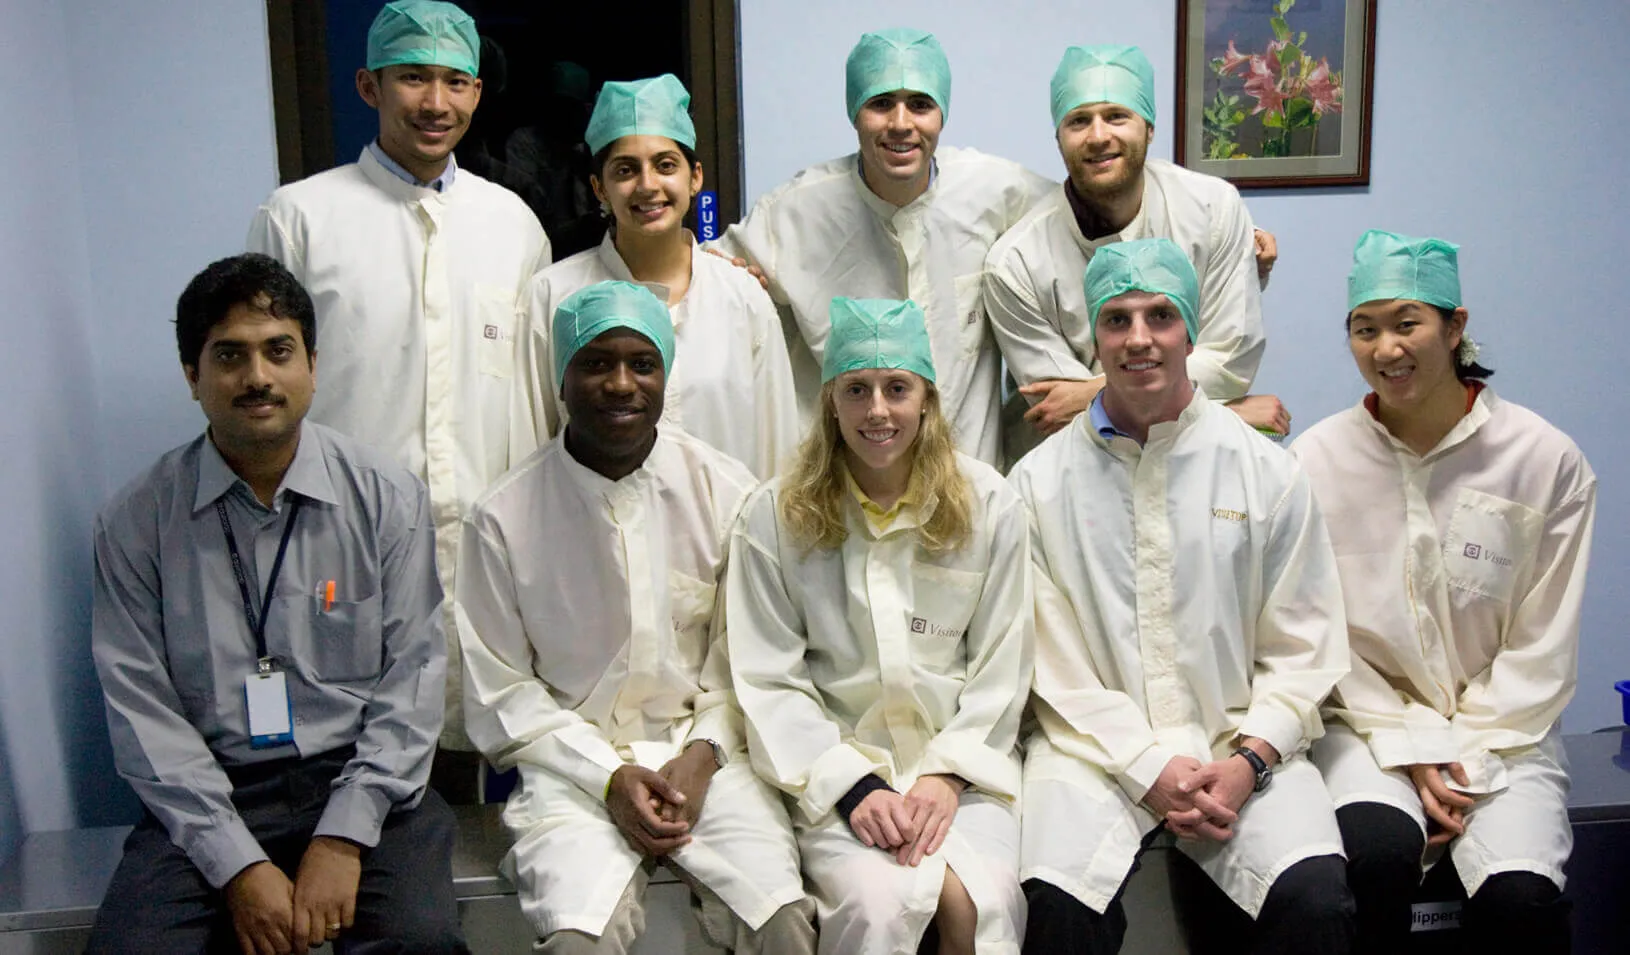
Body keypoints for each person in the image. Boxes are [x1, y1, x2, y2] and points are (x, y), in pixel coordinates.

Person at [86, 254, 464, 955]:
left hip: (364, 779)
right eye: (229, 355)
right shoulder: (137, 520)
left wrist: (344, 835)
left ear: (312, 366)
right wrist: (237, 862)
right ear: (192, 376)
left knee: (421, 940)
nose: (257, 376)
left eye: (278, 351)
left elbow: (413, 677)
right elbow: (142, 711)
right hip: (209, 793)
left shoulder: (386, 498)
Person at [1009, 238, 1354, 954]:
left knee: (1316, 902)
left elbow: (1304, 647)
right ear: (1092, 336)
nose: (1139, 338)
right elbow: (1051, 663)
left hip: (1237, 741)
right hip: (1092, 754)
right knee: (1059, 908)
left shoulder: (1266, 473)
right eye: (1117, 319)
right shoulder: (1036, 486)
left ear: (1190, 332)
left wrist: (1250, 760)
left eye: (1160, 315)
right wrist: (1145, 764)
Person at [456, 281, 814, 953]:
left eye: (641, 363)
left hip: (713, 760)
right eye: (595, 363)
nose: (621, 383)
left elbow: (753, 658)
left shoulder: (726, 490)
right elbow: (500, 690)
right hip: (573, 774)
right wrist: (607, 775)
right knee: (577, 938)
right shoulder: (502, 517)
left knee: (784, 920)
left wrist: (704, 753)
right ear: (561, 380)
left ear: (664, 374)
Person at [246, 0, 550, 764]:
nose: (436, 102)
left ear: (479, 93)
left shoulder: (513, 224)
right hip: (340, 546)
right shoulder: (299, 219)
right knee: (348, 760)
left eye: (456, 81)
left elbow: (537, 394)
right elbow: (266, 394)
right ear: (368, 85)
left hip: (485, 543)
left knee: (485, 762)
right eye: (413, 77)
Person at [1293, 231, 1594, 954]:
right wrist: (1411, 743)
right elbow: (1317, 629)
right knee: (1375, 857)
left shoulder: (1544, 459)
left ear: (1455, 327)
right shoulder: (1315, 461)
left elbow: (1543, 642)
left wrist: (1465, 754)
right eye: (1365, 329)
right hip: (1365, 727)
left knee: (1521, 899)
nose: (1386, 348)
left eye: (1407, 323)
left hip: (1508, 731)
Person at [726, 297, 1033, 953]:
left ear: (927, 398)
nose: (878, 410)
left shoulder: (990, 506)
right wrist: (855, 784)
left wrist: (946, 774)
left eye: (898, 387)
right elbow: (768, 677)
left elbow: (1002, 667)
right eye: (856, 389)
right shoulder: (773, 517)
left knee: (978, 901)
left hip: (963, 772)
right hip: (839, 774)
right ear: (830, 402)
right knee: (876, 906)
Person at [709, 28, 1054, 467]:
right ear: (854, 112)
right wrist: (740, 282)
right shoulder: (797, 211)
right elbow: (702, 279)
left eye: (921, 104)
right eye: (881, 103)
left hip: (966, 481)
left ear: (942, 115)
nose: (901, 123)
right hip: (845, 490)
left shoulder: (995, 191)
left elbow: (1080, 230)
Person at [985, 45, 1288, 464]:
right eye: (1078, 121)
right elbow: (1058, 411)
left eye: (1116, 116)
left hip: (1194, 462)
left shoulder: (1211, 209)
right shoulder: (1015, 263)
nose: (1097, 136)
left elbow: (1231, 360)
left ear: (1149, 128)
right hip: (1070, 476)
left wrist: (1091, 391)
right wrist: (1231, 409)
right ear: (1058, 138)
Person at [521, 74, 800, 478]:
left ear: (695, 177)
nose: (648, 185)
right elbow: (531, 454)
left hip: (726, 538)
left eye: (665, 165)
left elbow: (779, 454)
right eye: (625, 170)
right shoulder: (552, 296)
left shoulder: (742, 297)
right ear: (600, 189)